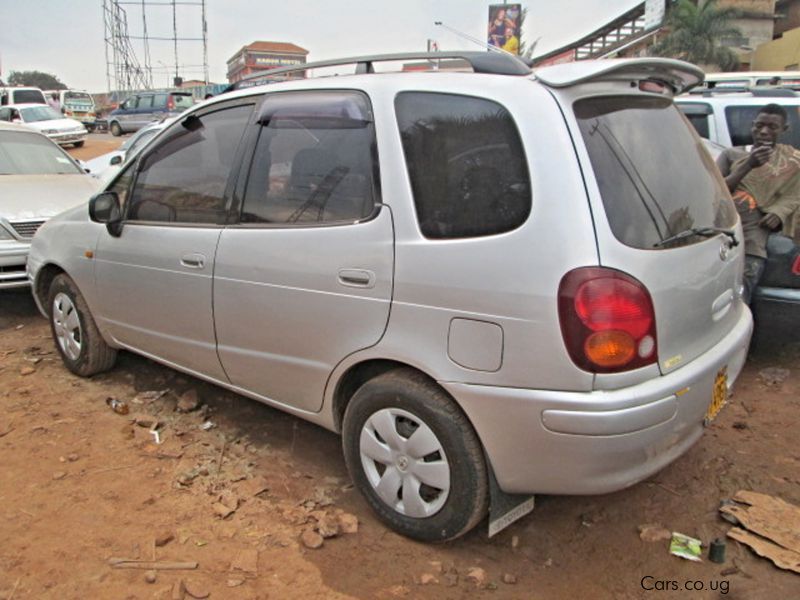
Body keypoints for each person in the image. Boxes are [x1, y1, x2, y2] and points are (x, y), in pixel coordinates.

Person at [716, 104, 800, 303]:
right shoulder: (732, 155)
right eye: (759, 125)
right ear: (752, 126)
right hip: (719, 236)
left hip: (753, 245)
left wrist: (779, 212)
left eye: (772, 127)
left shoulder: (793, 162)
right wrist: (748, 164)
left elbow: (795, 195)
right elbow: (716, 191)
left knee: (739, 302)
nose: (764, 131)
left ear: (784, 130)